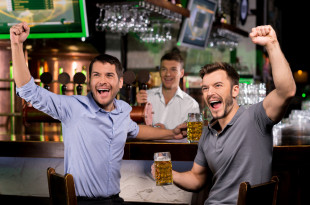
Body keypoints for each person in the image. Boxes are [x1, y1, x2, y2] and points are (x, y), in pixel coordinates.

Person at [10, 22, 187, 205]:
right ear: (89, 82)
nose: (102, 81)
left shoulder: (123, 110)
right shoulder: (73, 108)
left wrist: (172, 132)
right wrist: (17, 44)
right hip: (83, 202)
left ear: (119, 82)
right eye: (97, 75)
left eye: (109, 76)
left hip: (115, 200)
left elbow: (136, 130)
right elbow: (28, 90)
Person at [153, 25, 296, 204]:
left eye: (218, 85)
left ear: (235, 90)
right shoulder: (207, 133)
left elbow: (286, 90)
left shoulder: (255, 118)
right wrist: (169, 174)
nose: (210, 92)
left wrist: (272, 44)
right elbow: (197, 178)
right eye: (205, 88)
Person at [136, 52, 200, 130]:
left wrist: (164, 133)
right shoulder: (146, 97)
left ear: (181, 73)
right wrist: (138, 107)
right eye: (164, 69)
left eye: (173, 70)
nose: (168, 74)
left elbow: (194, 137)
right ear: (159, 72)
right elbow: (134, 129)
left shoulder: (191, 105)